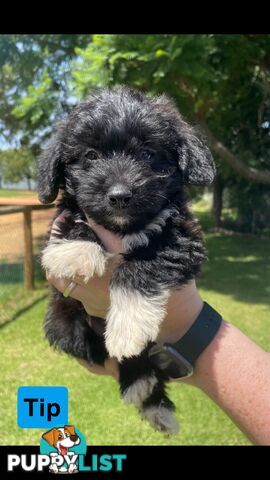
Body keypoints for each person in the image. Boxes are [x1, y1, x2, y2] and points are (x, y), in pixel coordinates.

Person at [46, 218, 270, 445]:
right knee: (62, 326)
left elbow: (185, 250)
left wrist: (183, 323)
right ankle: (142, 384)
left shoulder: (167, 218)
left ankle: (145, 386)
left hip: (140, 330)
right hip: (86, 331)